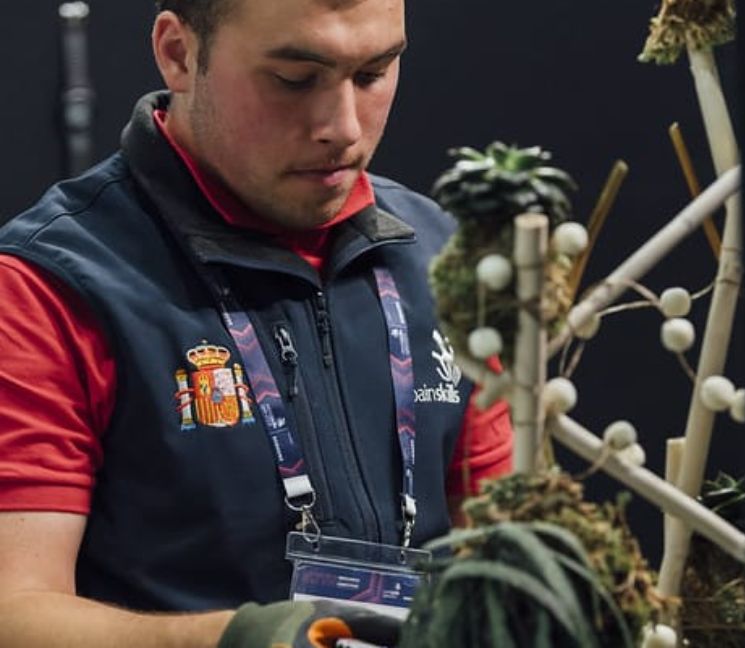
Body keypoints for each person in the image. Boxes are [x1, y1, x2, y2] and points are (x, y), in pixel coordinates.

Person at [0, 0, 513, 646]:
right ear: (179, 54)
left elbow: (506, 555)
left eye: (374, 72)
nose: (343, 128)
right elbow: (13, 614)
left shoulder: (446, 259)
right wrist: (236, 639)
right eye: (295, 79)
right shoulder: (48, 287)